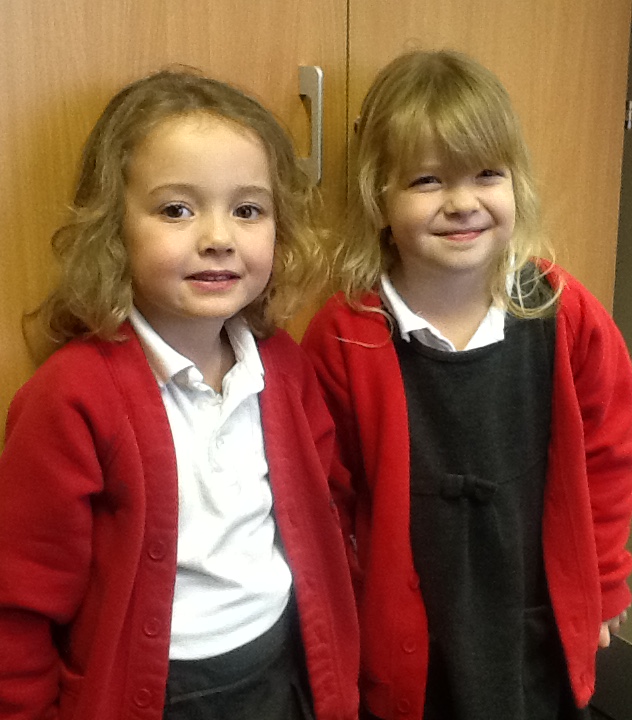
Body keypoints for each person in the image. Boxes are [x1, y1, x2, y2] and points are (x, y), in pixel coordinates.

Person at [0, 69, 359, 720]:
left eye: (247, 210)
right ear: (114, 230)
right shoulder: (71, 397)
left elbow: (325, 519)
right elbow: (19, 605)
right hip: (160, 695)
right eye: (177, 210)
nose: (218, 237)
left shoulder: (285, 368)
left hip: (281, 674)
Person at [301, 50, 632, 720]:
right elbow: (326, 499)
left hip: (532, 618)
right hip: (408, 633)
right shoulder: (344, 336)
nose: (462, 203)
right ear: (379, 198)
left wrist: (603, 581)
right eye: (428, 180)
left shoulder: (565, 312)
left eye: (487, 174)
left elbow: (610, 453)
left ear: (516, 182)